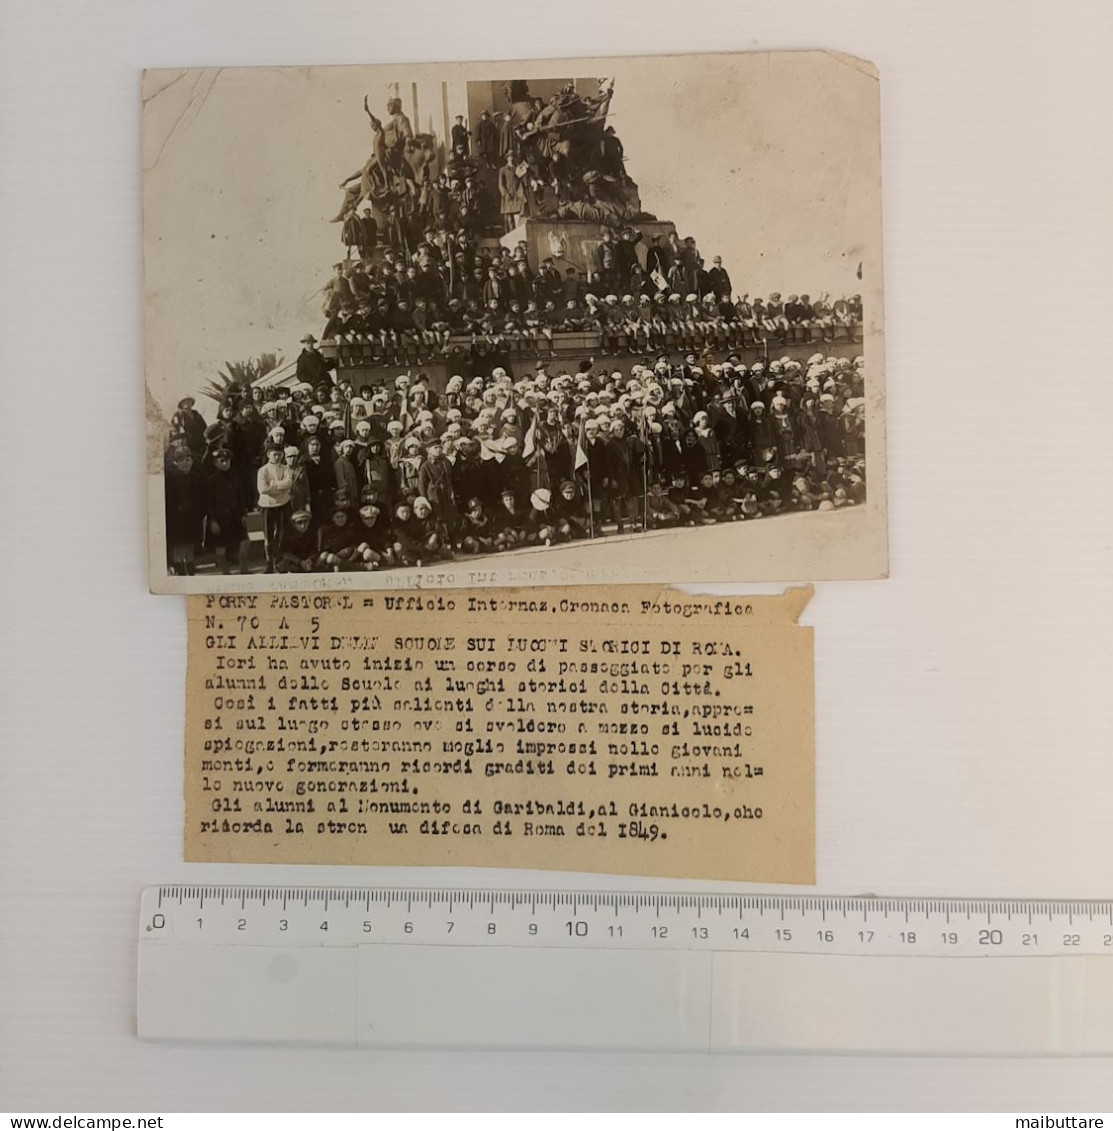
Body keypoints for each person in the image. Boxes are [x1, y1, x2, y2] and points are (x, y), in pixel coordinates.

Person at [203, 447, 249, 574]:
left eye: (227, 460)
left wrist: (243, 514)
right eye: (221, 461)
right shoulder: (211, 481)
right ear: (215, 463)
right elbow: (208, 503)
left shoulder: (235, 476)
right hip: (220, 518)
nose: (225, 463)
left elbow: (240, 497)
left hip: (236, 516)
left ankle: (244, 570)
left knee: (245, 542)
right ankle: (225, 572)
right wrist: (212, 521)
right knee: (221, 546)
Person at [256, 444, 293, 573]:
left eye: (280, 454)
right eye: (274, 454)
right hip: (267, 506)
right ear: (268, 455)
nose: (277, 457)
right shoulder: (263, 471)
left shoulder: (286, 468)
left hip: (283, 504)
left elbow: (289, 483)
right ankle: (269, 562)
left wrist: (274, 485)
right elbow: (263, 489)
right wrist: (281, 487)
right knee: (268, 535)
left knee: (282, 534)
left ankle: (279, 561)